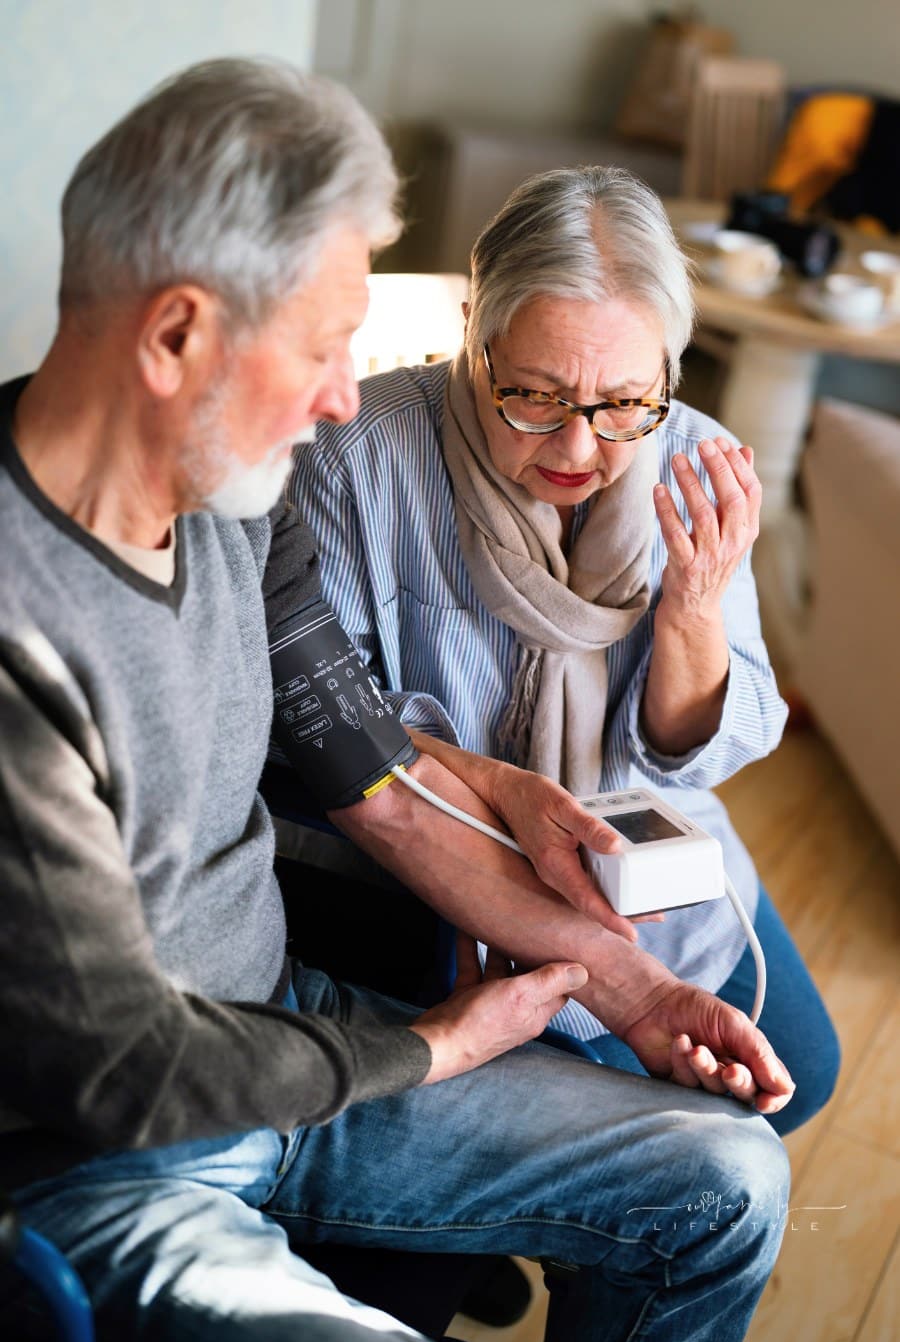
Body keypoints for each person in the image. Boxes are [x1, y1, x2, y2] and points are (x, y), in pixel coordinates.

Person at [1, 58, 795, 1342]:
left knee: (728, 1176)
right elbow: (124, 1069)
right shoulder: (20, 628)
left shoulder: (236, 509)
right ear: (176, 335)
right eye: (322, 348)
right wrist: (431, 1045)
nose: (340, 396)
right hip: (114, 1153)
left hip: (292, 1034)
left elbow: (370, 773)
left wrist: (630, 989)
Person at [289, 165, 840, 1137]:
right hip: (433, 873)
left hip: (639, 861)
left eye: (626, 401)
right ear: (477, 340)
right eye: (534, 396)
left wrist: (694, 608)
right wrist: (496, 803)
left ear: (669, 371)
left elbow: (705, 756)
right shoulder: (357, 456)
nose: (580, 448)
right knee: (605, 1134)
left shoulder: (698, 458)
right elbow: (337, 734)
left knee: (803, 1074)